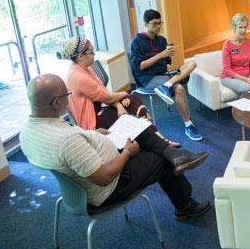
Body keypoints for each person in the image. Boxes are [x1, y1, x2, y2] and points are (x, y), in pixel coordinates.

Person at [20, 74, 211, 220]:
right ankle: (185, 206)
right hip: (110, 186)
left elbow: (74, 152)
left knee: (137, 131)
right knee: (159, 159)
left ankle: (175, 154)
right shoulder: (66, 141)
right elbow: (104, 178)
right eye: (67, 95)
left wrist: (94, 135)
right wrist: (128, 153)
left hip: (84, 179)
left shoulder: (27, 131)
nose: (69, 99)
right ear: (55, 103)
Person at [59, 37, 208, 175]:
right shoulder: (78, 76)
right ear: (80, 57)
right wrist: (122, 96)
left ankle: (164, 145)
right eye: (91, 52)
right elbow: (106, 96)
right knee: (134, 121)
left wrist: (118, 105)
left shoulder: (86, 68)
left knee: (133, 101)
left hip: (102, 107)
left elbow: (103, 94)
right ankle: (169, 150)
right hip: (93, 122)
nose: (94, 54)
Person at [130, 9, 203, 141]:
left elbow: (167, 61)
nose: (158, 26)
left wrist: (167, 64)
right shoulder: (137, 42)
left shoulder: (162, 40)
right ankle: (188, 125)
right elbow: (139, 67)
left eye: (160, 23)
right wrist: (160, 55)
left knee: (191, 63)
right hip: (148, 78)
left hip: (164, 74)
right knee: (180, 88)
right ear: (146, 24)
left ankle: (168, 84)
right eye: (154, 23)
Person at [220, 13, 250, 95]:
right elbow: (227, 70)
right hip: (230, 77)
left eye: (245, 27)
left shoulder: (248, 43)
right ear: (234, 27)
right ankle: (244, 107)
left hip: (247, 75)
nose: (243, 30)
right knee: (247, 88)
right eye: (240, 27)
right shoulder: (227, 45)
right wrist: (245, 79)